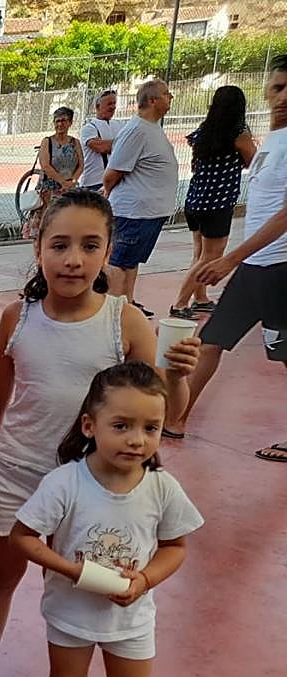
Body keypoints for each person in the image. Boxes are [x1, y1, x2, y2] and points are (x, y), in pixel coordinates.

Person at [0, 190, 200, 677]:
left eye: (90, 246)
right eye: (59, 245)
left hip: (91, 485)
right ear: (37, 247)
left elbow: (165, 410)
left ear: (109, 252)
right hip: (17, 470)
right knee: (2, 574)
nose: (73, 260)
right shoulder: (17, 318)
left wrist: (178, 375)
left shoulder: (125, 322)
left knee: (74, 586)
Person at [16, 362, 203, 677]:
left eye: (150, 428)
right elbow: (23, 537)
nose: (136, 440)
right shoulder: (66, 483)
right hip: (71, 612)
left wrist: (145, 580)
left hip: (132, 619)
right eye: (121, 426)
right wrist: (73, 570)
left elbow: (175, 547)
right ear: (90, 426)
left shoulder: (162, 488)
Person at [166, 55, 287, 461]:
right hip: (256, 266)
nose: (282, 97)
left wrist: (230, 258)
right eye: (277, 87)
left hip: (279, 268)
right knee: (211, 340)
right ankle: (176, 419)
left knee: (284, 353)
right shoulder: (271, 139)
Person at [168, 86, 257, 320]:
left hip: (196, 199)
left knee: (200, 253)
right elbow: (253, 161)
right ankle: (180, 303)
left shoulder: (204, 131)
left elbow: (195, 164)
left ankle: (200, 297)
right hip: (218, 203)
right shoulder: (238, 133)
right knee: (210, 256)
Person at [103, 79, 178, 316]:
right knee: (119, 263)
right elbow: (112, 173)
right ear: (152, 100)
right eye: (166, 94)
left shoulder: (151, 128)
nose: (171, 97)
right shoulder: (136, 131)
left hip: (148, 213)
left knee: (130, 261)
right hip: (133, 212)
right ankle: (112, 313)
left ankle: (127, 306)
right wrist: (107, 193)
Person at [24, 107, 83, 238]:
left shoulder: (75, 143)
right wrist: (62, 182)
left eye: (64, 120)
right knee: (45, 229)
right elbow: (45, 165)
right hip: (49, 190)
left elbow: (81, 165)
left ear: (70, 122)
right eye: (57, 121)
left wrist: (72, 181)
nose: (60, 124)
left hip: (69, 189)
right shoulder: (47, 142)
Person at [80, 90, 121, 193]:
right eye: (109, 104)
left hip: (114, 180)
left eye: (114, 103)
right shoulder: (89, 127)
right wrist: (122, 144)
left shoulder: (119, 125)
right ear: (98, 106)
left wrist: (109, 143)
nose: (113, 107)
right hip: (93, 183)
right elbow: (102, 148)